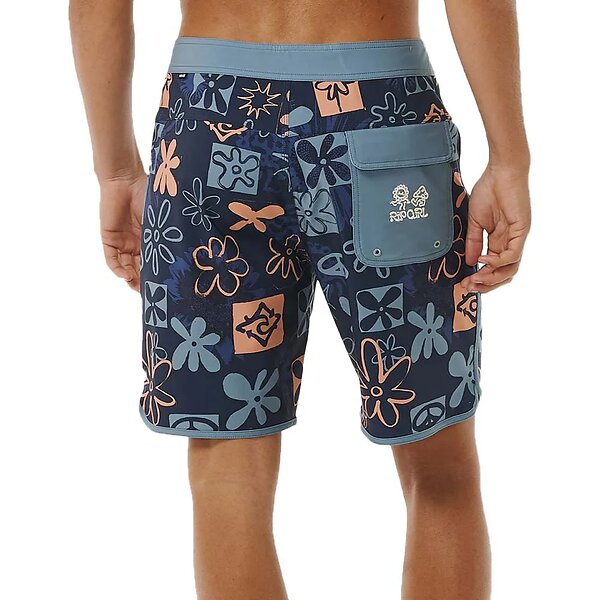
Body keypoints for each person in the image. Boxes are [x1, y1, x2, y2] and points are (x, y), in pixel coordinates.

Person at [70, 1, 531, 598]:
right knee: (439, 465)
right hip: (383, 121)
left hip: (209, 124)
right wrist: (510, 158)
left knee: (228, 470)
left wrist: (115, 172)